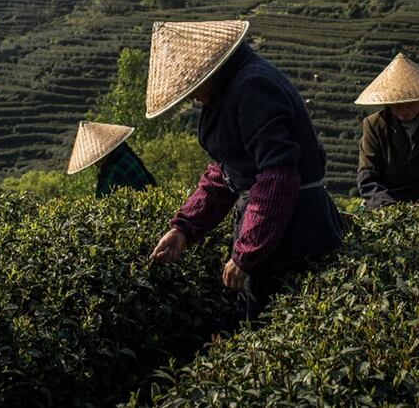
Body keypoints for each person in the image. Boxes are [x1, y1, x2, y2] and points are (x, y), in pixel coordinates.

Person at [146, 20, 344, 319]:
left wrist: (247, 252)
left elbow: (277, 175)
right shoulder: (229, 88)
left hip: (295, 230)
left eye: (190, 87)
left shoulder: (252, 87)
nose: (189, 97)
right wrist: (183, 228)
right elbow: (228, 171)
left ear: (208, 72)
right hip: (273, 227)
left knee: (278, 325)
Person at [355, 53, 419, 208]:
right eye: (396, 104)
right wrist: (387, 207)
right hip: (383, 204)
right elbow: (368, 174)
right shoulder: (374, 125)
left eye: (408, 104)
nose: (402, 110)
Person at [66, 121, 155, 197]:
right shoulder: (124, 153)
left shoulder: (113, 170)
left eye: (95, 160)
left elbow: (101, 202)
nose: (95, 164)